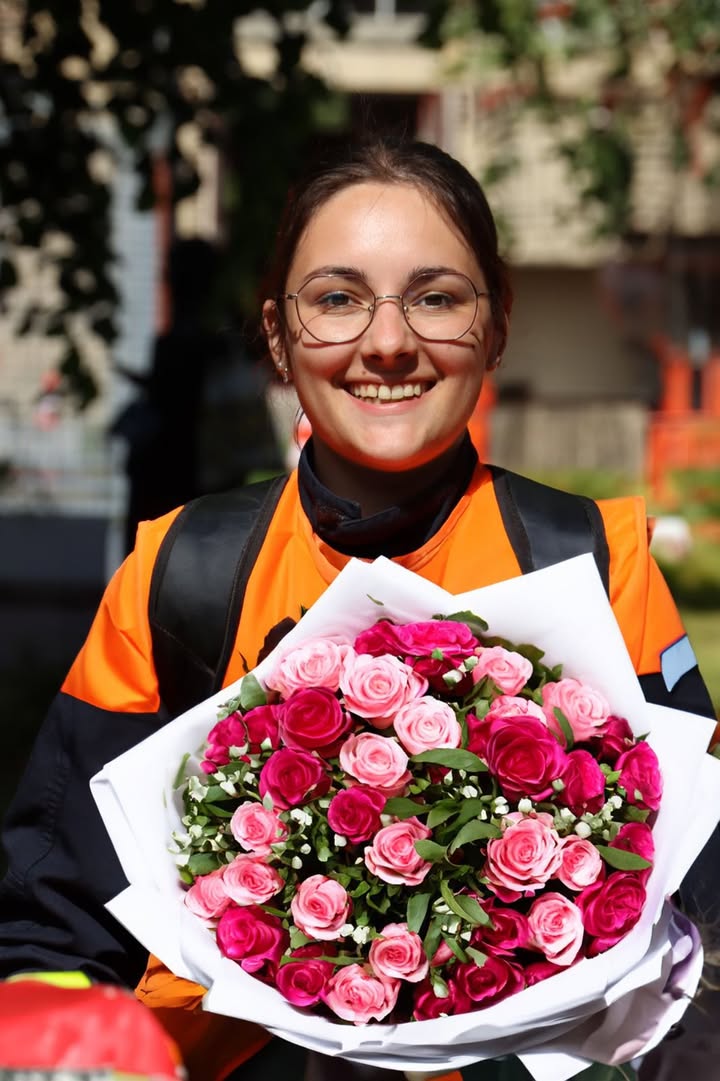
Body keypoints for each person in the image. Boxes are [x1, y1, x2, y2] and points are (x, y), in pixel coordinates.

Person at [0, 138, 716, 1081]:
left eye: (437, 296)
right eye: (337, 298)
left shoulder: (592, 560)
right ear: (277, 332)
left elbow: (700, 913)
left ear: (496, 325)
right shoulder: (178, 572)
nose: (387, 341)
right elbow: (53, 924)